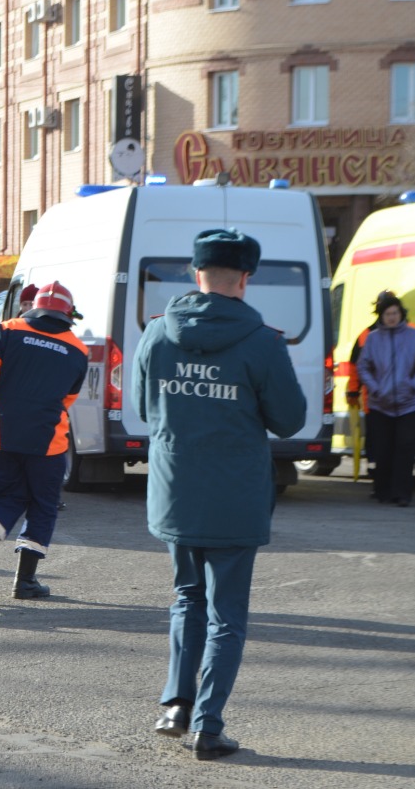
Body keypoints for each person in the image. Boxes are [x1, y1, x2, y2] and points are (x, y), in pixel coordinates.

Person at [131, 228, 305, 760]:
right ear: (244, 279)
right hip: (235, 495)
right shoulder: (263, 342)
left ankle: (175, 706)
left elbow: (142, 405)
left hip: (176, 490)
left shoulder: (158, 334)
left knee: (187, 598)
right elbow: (290, 420)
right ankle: (209, 724)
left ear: (194, 272)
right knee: (227, 613)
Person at [0, 281, 88, 600]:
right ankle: (24, 581)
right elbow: (69, 397)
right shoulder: (77, 350)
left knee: (11, 496)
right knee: (43, 505)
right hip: (47, 440)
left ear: (36, 307)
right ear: (68, 314)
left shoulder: (6, 330)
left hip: (0, 432)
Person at [357, 291, 415, 507]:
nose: (392, 317)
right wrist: (375, 388)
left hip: (411, 404)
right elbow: (363, 366)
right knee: (384, 449)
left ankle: (403, 494)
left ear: (401, 314)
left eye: (395, 312)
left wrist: (414, 384)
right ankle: (383, 491)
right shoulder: (372, 338)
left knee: (406, 447)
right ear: (381, 316)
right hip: (381, 404)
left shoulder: (414, 336)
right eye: (388, 313)